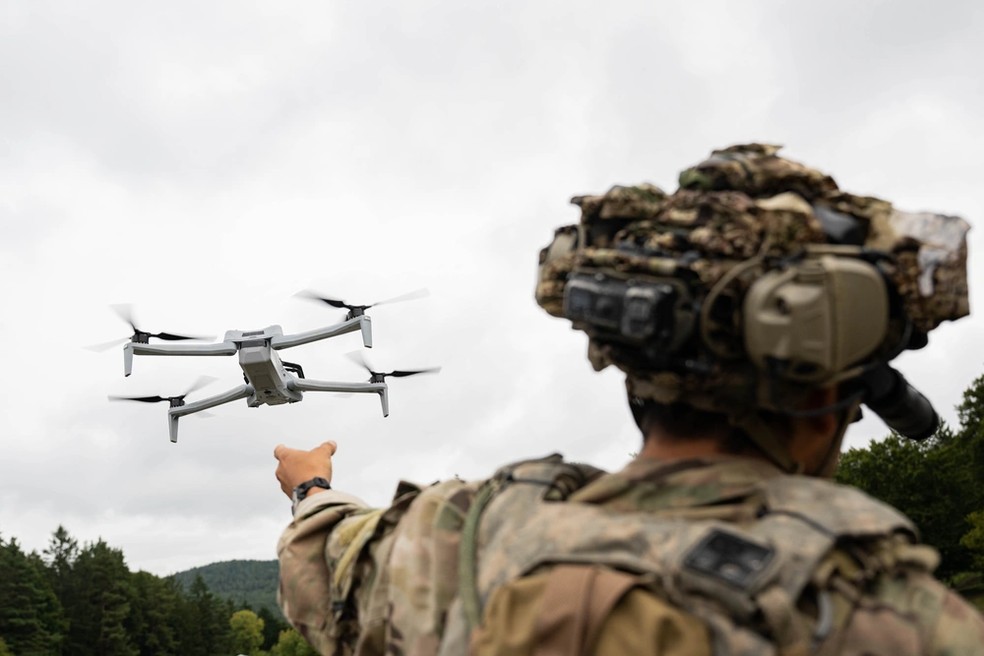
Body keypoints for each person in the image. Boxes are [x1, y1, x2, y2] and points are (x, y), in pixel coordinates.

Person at [274, 144, 984, 655]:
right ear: (831, 383)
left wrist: (311, 487)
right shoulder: (892, 620)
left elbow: (325, 563)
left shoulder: (457, 538)